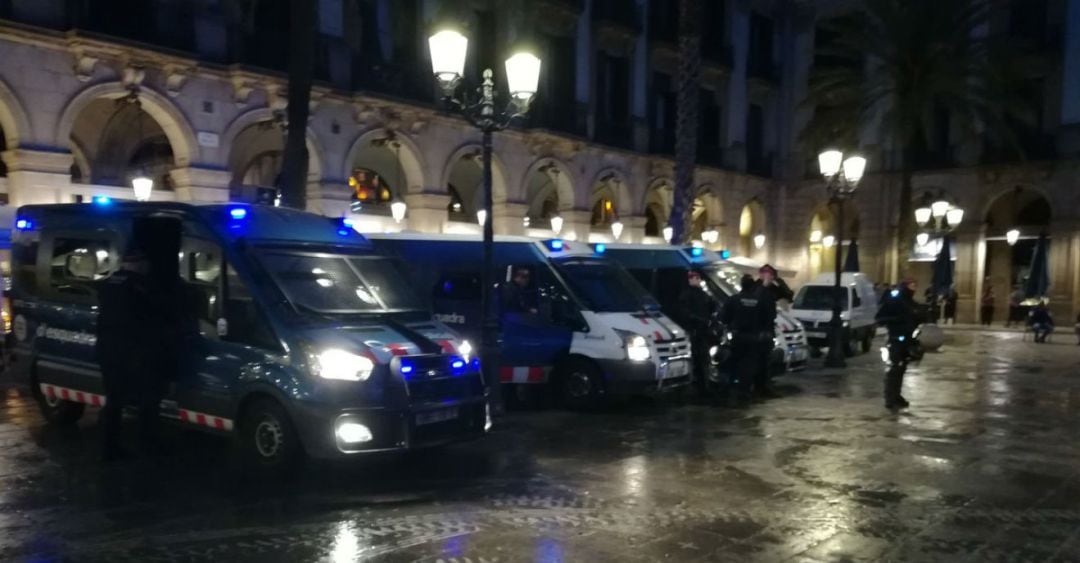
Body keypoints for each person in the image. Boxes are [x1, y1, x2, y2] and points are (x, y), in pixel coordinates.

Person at [97, 217, 197, 460]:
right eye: (144, 263)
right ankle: (147, 445)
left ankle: (110, 448)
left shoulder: (109, 283)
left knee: (115, 402)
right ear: (138, 264)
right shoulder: (140, 287)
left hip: (109, 353)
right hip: (133, 354)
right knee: (148, 401)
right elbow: (157, 314)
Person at [721, 274, 777, 403]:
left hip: (737, 337)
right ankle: (745, 392)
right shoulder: (759, 301)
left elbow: (724, 318)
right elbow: (768, 318)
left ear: (741, 285)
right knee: (749, 366)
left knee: (734, 363)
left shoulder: (733, 299)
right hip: (753, 338)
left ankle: (732, 391)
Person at [875, 278, 919, 410]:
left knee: (902, 368)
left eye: (915, 286)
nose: (914, 289)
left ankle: (897, 395)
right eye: (911, 285)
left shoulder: (911, 302)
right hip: (896, 338)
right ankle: (890, 398)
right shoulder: (895, 300)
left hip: (908, 339)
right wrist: (896, 320)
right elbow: (880, 318)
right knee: (895, 368)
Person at [677, 271, 718, 396]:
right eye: (695, 278)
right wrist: (699, 320)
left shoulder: (702, 293)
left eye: (698, 278)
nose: (697, 280)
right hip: (695, 331)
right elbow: (685, 313)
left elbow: (712, 306)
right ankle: (699, 387)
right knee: (698, 359)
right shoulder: (686, 294)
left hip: (703, 331)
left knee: (704, 359)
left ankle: (704, 386)